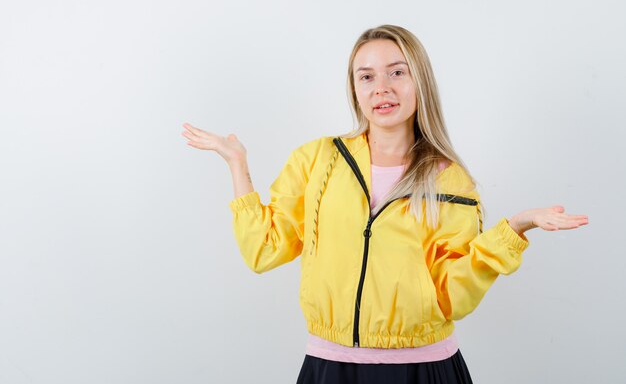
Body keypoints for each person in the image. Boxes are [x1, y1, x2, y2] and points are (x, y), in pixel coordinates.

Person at [181, 25, 588, 384]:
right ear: (355, 89)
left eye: (397, 72)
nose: (382, 88)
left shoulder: (448, 179)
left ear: (419, 81)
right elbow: (263, 250)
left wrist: (512, 231)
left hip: (423, 369)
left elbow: (452, 297)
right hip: (329, 366)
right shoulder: (316, 160)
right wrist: (238, 164)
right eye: (367, 76)